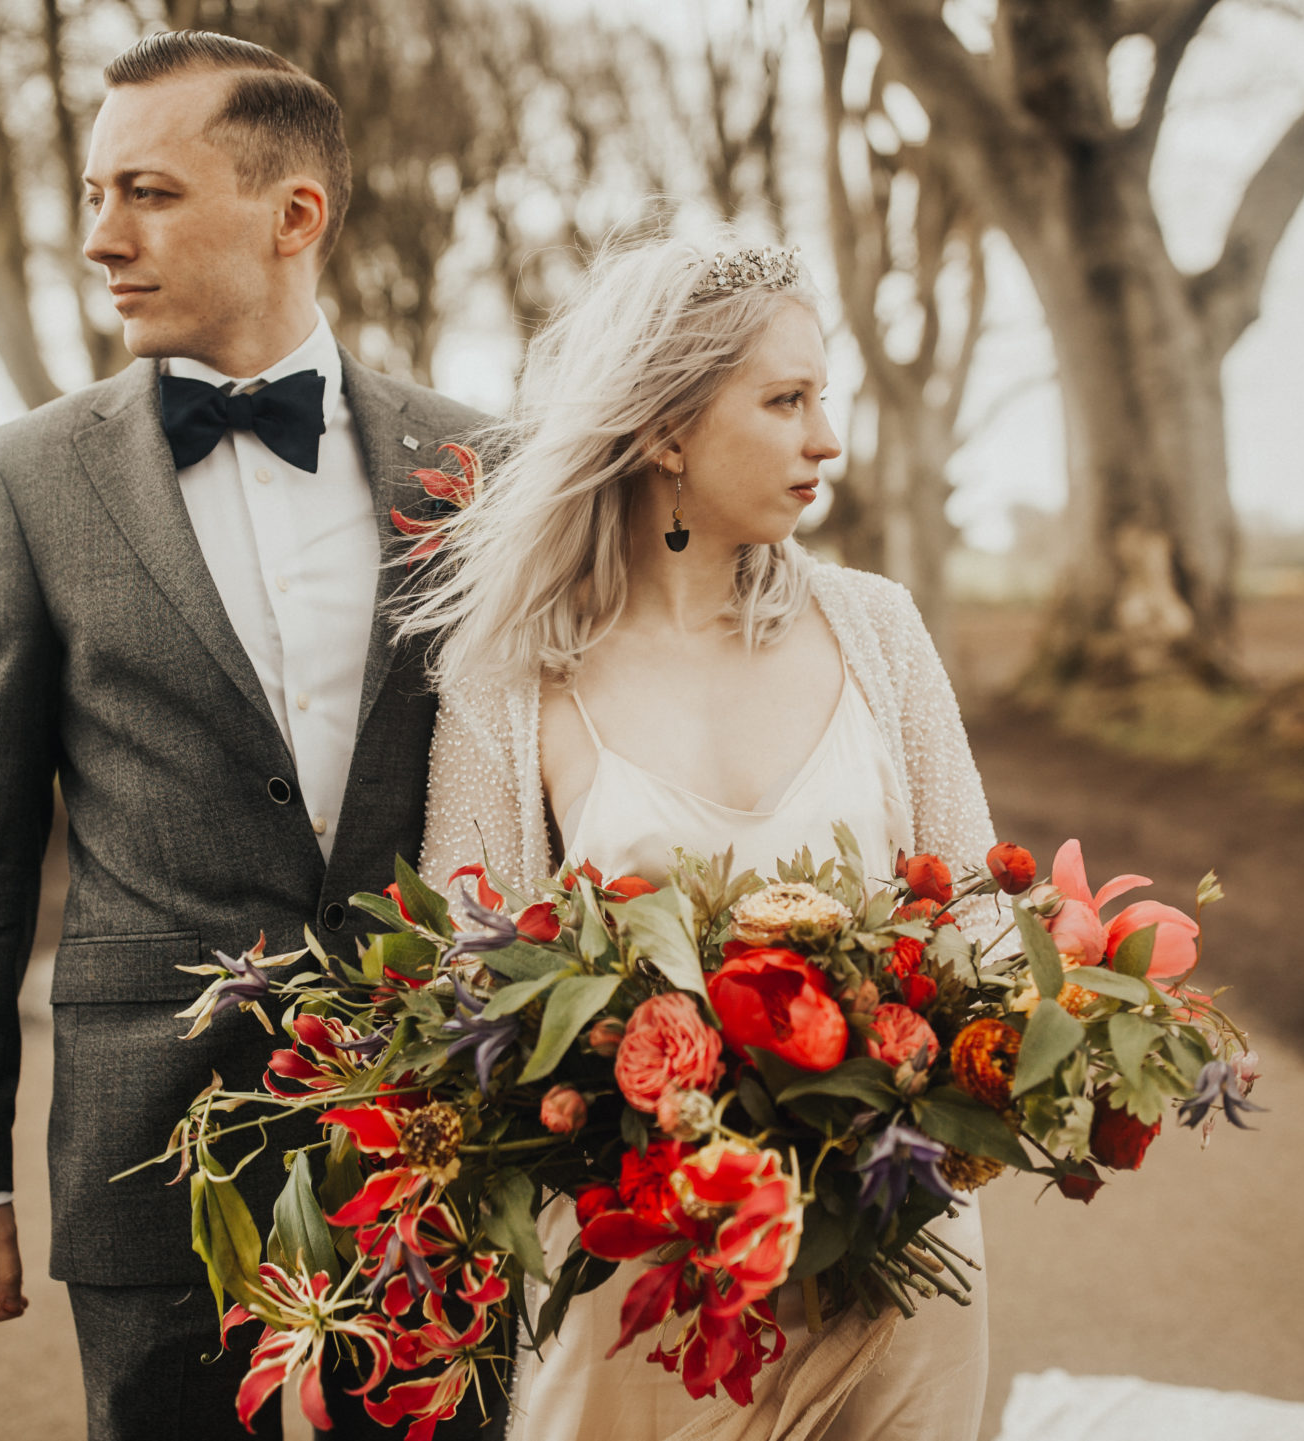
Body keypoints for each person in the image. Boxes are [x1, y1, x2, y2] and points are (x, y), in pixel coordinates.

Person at [0, 31, 490, 1441]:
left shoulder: (483, 468)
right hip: (150, 1134)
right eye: (97, 193)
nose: (102, 237)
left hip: (435, 1125)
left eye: (147, 194)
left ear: (296, 216)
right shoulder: (31, 478)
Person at [406, 237, 995, 1440]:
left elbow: (982, 913)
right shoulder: (509, 677)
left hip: (894, 1250)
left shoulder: (874, 628)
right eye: (784, 401)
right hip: (648, 1289)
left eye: (819, 398)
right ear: (665, 429)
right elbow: (456, 982)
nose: (824, 438)